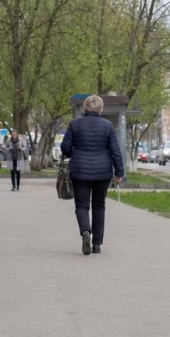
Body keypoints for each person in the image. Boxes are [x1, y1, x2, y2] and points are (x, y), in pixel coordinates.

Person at [60, 95, 125, 256]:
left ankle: (85, 232)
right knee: (99, 206)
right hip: (102, 172)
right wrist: (119, 172)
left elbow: (66, 148)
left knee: (81, 205)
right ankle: (97, 244)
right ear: (100, 109)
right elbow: (115, 151)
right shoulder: (108, 126)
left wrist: (74, 152)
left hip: (80, 171)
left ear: (84, 108)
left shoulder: (74, 125)